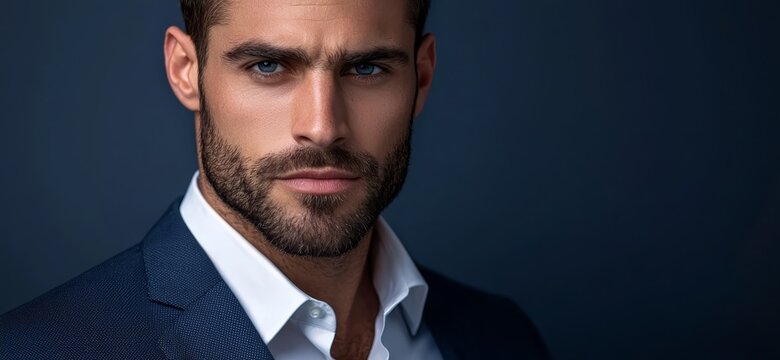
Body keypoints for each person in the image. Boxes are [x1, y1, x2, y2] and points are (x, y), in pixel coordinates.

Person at [0, 0, 549, 358]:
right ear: (186, 71)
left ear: (421, 77)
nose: (322, 127)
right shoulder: (38, 350)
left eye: (366, 69)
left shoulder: (501, 337)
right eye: (268, 67)